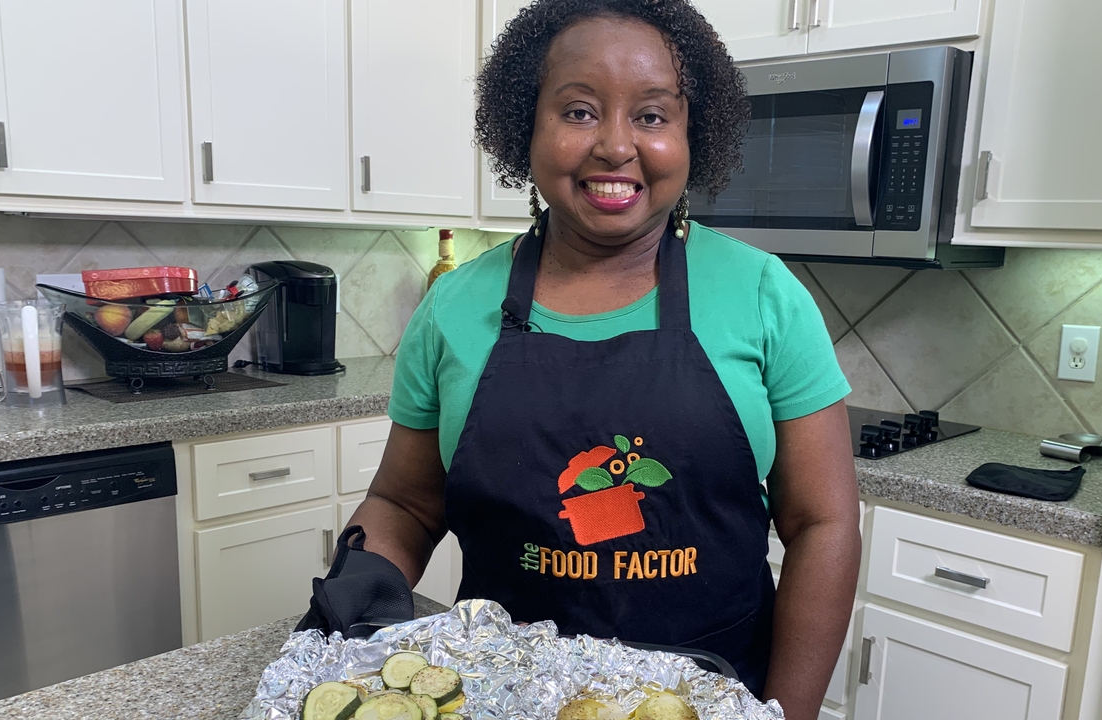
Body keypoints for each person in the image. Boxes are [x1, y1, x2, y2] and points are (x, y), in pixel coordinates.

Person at [346, 1, 860, 715]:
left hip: (714, 695)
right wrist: (356, 583)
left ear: (692, 134)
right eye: (579, 111)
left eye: (652, 116)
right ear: (526, 126)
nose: (616, 146)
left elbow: (824, 524)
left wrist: (787, 712)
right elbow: (404, 502)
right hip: (506, 698)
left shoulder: (765, 296)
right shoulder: (454, 307)